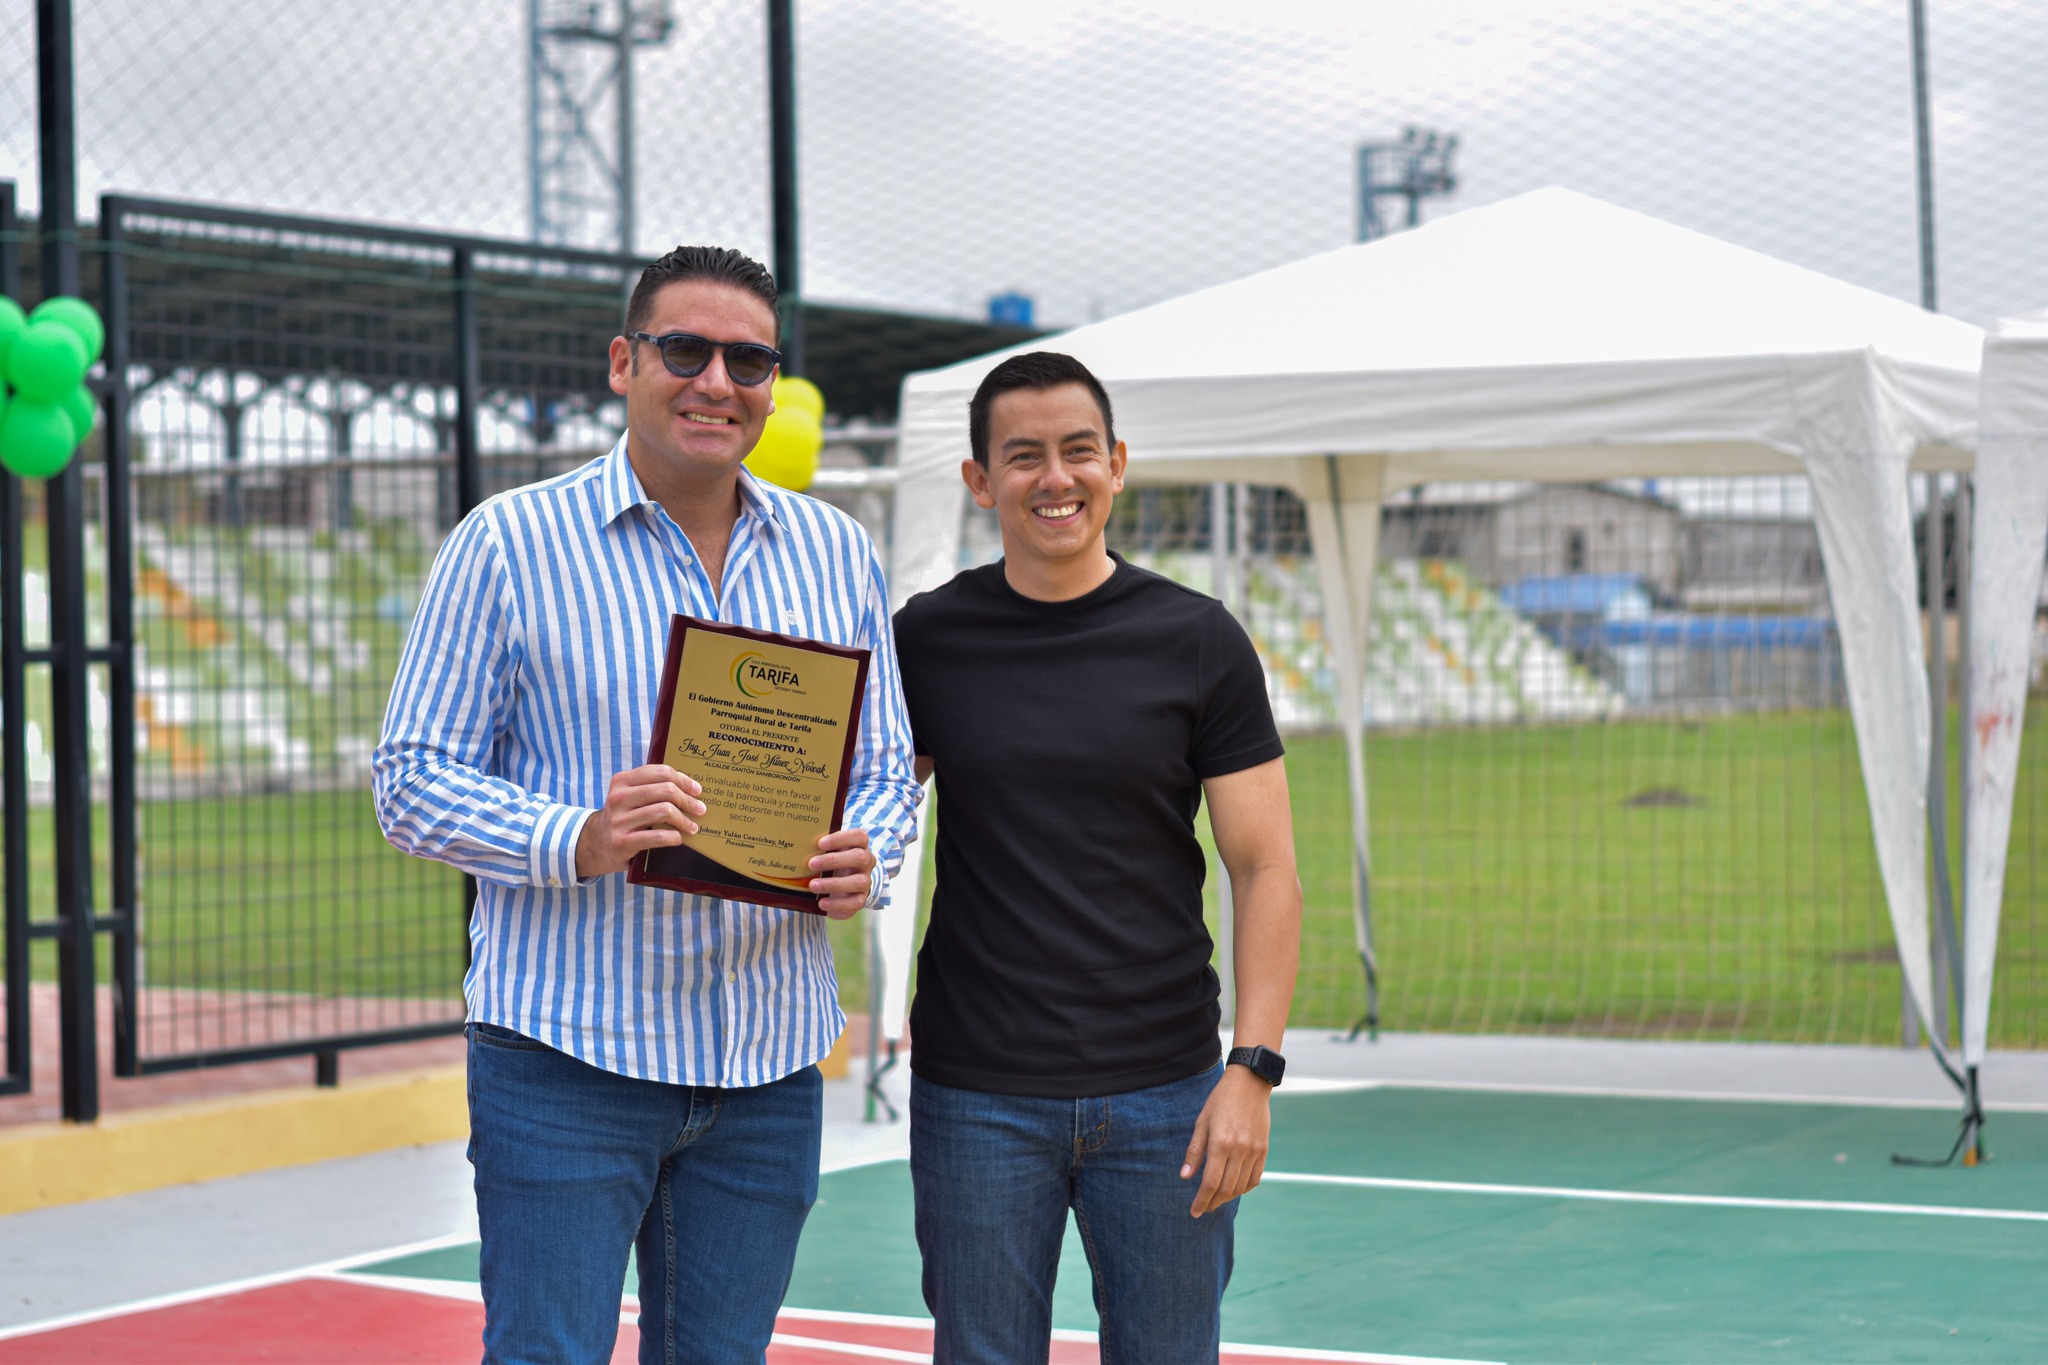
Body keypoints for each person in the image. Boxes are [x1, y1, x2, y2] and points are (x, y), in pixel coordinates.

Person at [374, 245, 920, 1364]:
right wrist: (576, 835)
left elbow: (884, 765)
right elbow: (411, 778)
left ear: (773, 384)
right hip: (566, 1057)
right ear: (624, 363)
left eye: (748, 360)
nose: (717, 381)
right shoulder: (507, 544)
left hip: (767, 1058)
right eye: (685, 350)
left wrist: (869, 850)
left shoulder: (835, 553)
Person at [892, 351, 1303, 1363]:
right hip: (977, 1093)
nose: (1055, 478)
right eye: (1022, 456)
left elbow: (1265, 869)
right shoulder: (926, 639)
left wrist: (1251, 1069)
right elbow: (860, 809)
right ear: (979, 480)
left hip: (1167, 1091)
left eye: (1078, 451)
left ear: (1116, 464)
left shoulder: (1198, 640)